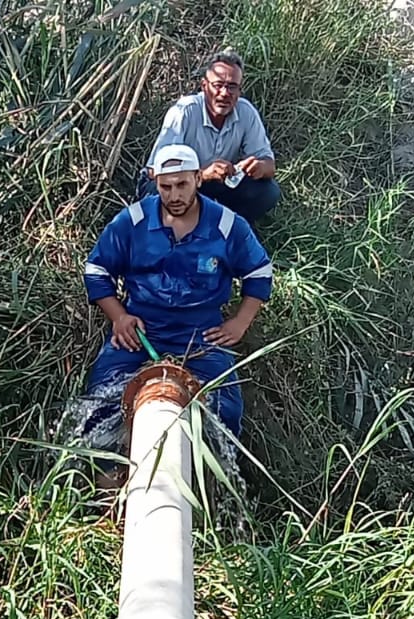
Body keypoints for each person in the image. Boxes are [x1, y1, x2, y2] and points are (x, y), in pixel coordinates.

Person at [75, 143, 272, 461]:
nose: (174, 195)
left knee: (225, 409)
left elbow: (259, 272)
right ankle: (108, 477)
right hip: (140, 329)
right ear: (156, 182)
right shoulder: (133, 220)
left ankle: (212, 477)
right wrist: (119, 316)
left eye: (182, 184)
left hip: (201, 334)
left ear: (198, 178)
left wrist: (239, 322)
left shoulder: (226, 225)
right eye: (166, 187)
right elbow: (96, 270)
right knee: (101, 398)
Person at [140, 51, 280, 225]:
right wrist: (203, 175)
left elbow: (270, 166)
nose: (224, 93)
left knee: (269, 191)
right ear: (204, 86)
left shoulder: (246, 112)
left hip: (217, 185)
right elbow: (155, 172)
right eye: (218, 85)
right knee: (156, 194)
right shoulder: (184, 112)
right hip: (179, 183)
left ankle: (228, 228)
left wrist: (258, 167)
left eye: (232, 87)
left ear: (239, 90)